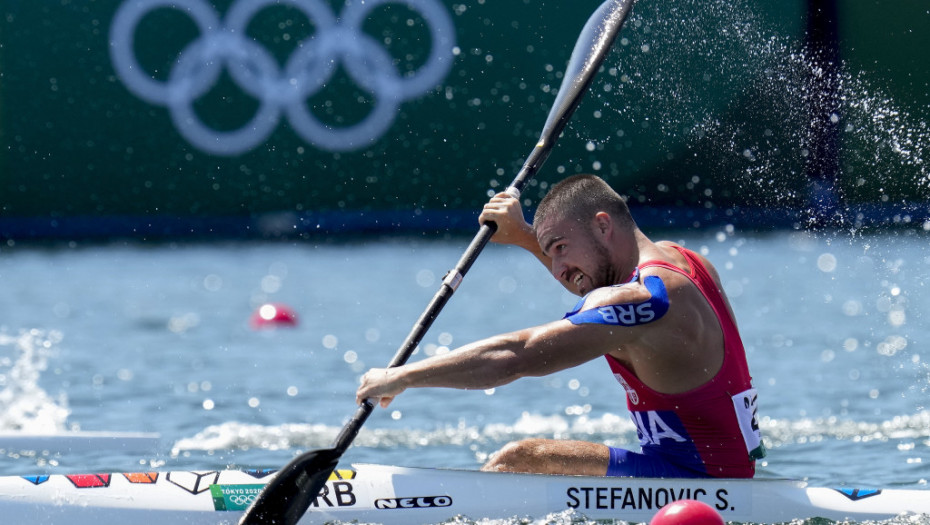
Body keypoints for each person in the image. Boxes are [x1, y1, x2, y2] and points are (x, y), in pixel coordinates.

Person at [356, 174, 765, 478]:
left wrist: (401, 376)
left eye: (560, 249)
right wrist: (524, 236)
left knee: (518, 461)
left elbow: (517, 356)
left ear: (604, 226)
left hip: (700, 483)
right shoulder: (684, 261)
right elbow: (597, 282)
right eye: (550, 255)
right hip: (727, 474)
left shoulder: (642, 300)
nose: (557, 270)